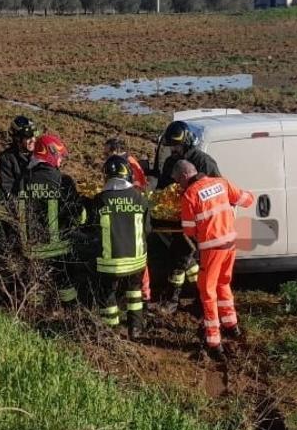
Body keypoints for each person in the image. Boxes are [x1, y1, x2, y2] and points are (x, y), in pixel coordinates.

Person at [173, 159, 254, 361]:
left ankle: (213, 340)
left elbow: (189, 230)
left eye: (177, 181)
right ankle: (231, 324)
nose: (178, 185)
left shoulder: (189, 195)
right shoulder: (221, 183)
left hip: (212, 248)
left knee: (207, 291)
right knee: (223, 284)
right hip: (230, 244)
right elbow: (247, 200)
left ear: (184, 176)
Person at [155, 121, 221, 313]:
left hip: (201, 224)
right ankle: (194, 297)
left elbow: (217, 191)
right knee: (182, 258)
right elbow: (163, 191)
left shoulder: (204, 162)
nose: (174, 150)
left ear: (188, 142)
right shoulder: (169, 163)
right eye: (172, 146)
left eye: (178, 145)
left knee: (182, 259)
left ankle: (174, 300)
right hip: (177, 223)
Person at [17, 134, 85, 308]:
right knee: (66, 284)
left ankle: (33, 316)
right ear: (51, 153)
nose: (61, 159)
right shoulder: (63, 180)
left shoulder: (24, 179)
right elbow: (77, 214)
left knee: (34, 286)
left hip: (31, 246)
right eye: (60, 155)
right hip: (57, 247)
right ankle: (70, 314)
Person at [89, 156, 150, 339]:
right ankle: (136, 329)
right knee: (134, 293)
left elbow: (92, 229)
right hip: (136, 261)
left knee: (108, 294)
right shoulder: (139, 198)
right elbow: (148, 229)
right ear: (128, 175)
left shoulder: (99, 200)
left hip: (110, 263)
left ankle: (112, 332)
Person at [103, 137, 152, 306]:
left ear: (115, 150)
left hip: (132, 207)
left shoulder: (127, 164)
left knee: (138, 254)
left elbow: (136, 187)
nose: (106, 156)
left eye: (107, 152)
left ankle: (145, 294)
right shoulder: (126, 162)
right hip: (132, 204)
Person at [0, 116, 37, 205]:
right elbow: (7, 192)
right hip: (17, 207)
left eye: (34, 135)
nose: (33, 140)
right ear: (17, 139)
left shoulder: (40, 155)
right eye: (28, 137)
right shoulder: (6, 159)